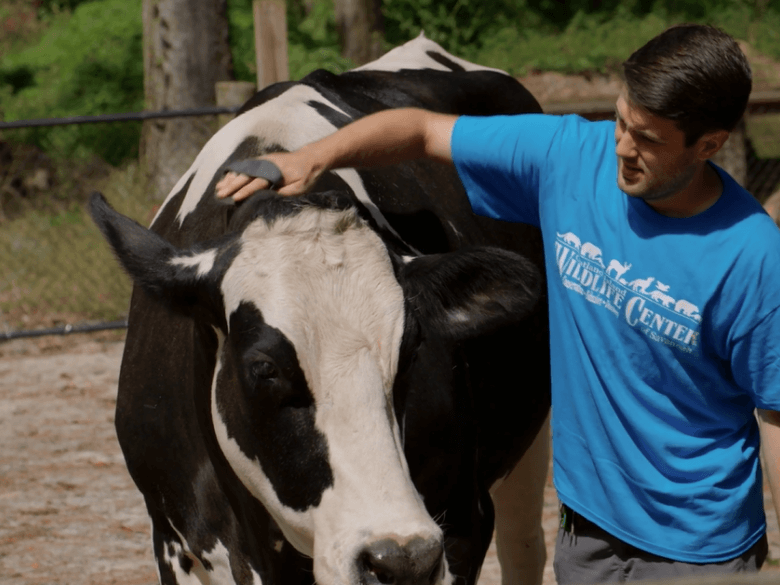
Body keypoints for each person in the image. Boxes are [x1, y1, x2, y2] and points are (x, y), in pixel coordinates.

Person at [216, 24, 780, 584]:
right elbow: (421, 131)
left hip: (700, 554)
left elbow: (776, 416)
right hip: (587, 539)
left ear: (709, 145)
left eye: (649, 140)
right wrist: (313, 158)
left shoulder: (752, 256)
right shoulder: (574, 159)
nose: (624, 149)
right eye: (621, 121)